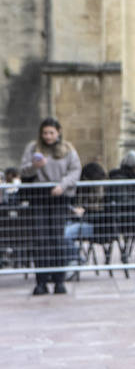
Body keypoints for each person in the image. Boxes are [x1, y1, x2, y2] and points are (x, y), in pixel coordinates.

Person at [19, 117, 82, 295]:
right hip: (39, 196)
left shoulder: (68, 149)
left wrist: (62, 185)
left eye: (51, 133)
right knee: (40, 239)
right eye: (45, 133)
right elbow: (23, 170)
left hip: (59, 197)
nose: (48, 136)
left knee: (57, 238)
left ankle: (59, 280)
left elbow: (75, 170)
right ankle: (41, 281)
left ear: (58, 132)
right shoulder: (33, 148)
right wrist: (34, 166)